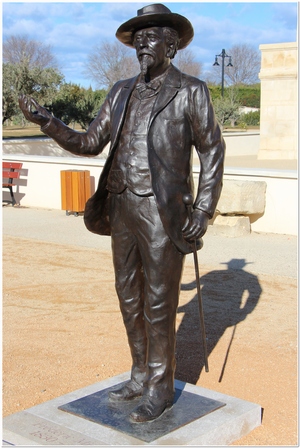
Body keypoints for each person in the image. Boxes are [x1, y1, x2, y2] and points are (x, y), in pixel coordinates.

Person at [19, 3, 225, 423]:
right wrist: (47, 122)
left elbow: (212, 151)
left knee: (159, 299)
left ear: (172, 43)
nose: (141, 45)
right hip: (121, 205)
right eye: (137, 39)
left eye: (150, 38)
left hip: (161, 211)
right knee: (129, 297)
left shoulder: (191, 90)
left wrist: (203, 209)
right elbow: (90, 142)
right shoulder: (120, 90)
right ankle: (138, 374)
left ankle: (160, 388)